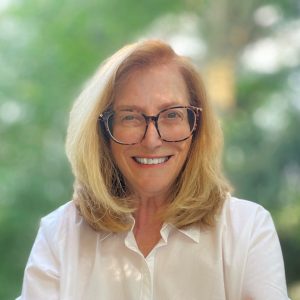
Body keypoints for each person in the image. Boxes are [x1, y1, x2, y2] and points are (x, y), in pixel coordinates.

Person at [18, 39, 290, 300]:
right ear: (103, 131)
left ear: (196, 127)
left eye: (172, 114)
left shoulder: (247, 229)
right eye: (130, 117)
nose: (151, 140)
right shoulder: (59, 235)